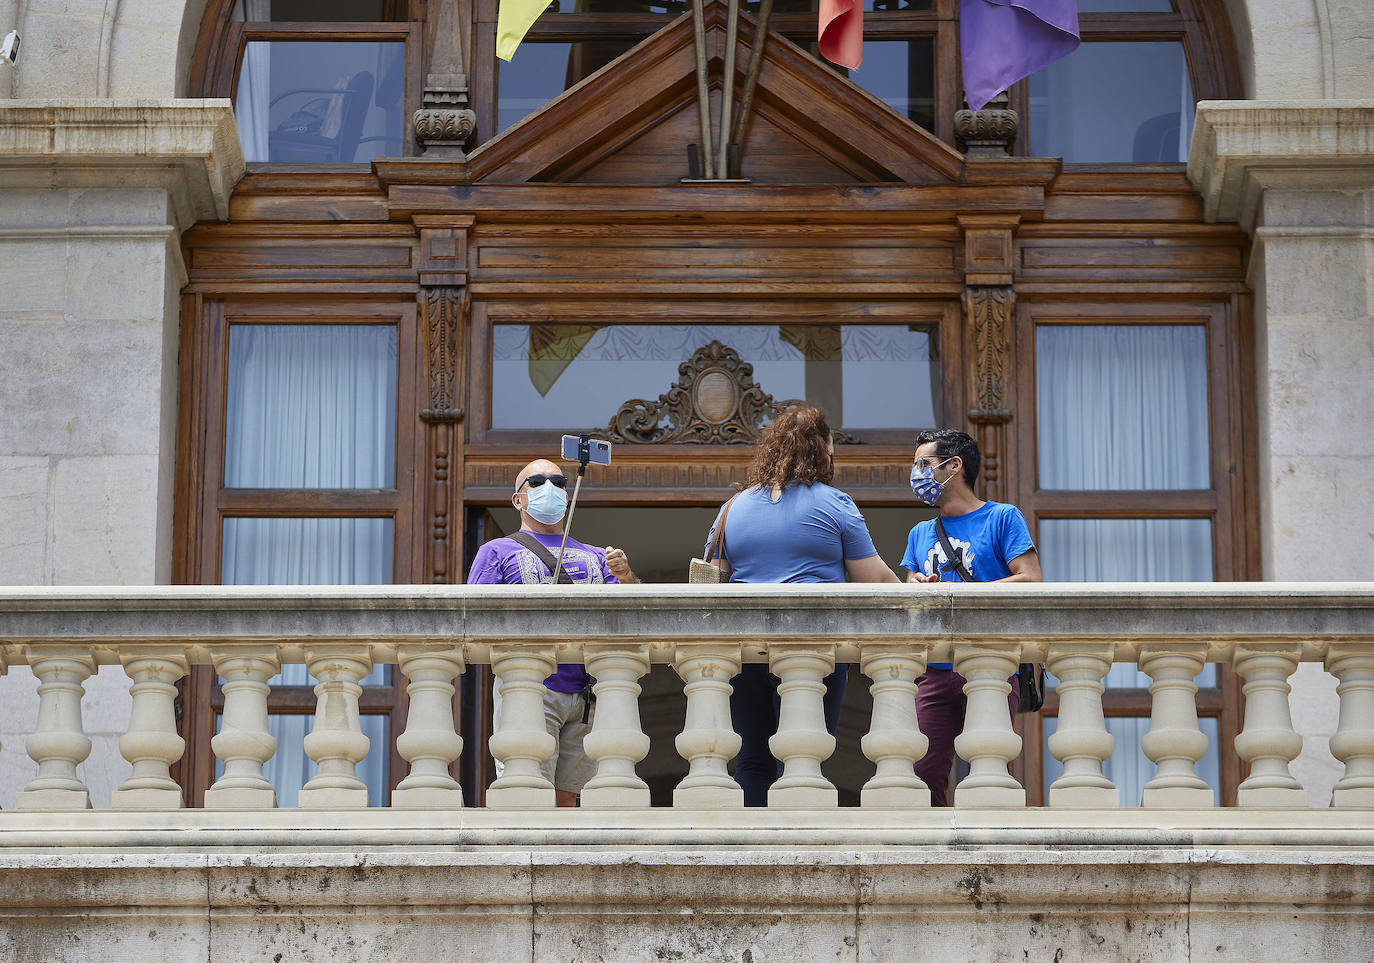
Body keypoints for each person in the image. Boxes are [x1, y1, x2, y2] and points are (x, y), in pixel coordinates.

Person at [704, 404, 899, 807]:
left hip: (746, 652)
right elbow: (877, 582)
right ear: (823, 447)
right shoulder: (835, 503)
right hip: (814, 649)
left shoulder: (731, 509)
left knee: (753, 759)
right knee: (804, 757)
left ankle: (754, 850)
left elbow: (711, 580)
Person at [467, 456, 640, 807]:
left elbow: (633, 613)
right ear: (517, 499)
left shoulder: (597, 556)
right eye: (536, 482)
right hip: (529, 688)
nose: (551, 488)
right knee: (526, 792)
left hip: (589, 693)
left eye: (559, 482)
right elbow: (474, 618)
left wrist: (625, 576)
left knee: (570, 798)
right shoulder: (496, 551)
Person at [901, 428, 1042, 806]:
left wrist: (964, 594)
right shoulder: (920, 533)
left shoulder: (1002, 517)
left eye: (923, 464)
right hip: (933, 670)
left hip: (990, 664)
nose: (915, 473)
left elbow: (1030, 579)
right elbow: (909, 580)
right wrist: (916, 582)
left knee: (989, 766)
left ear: (954, 466)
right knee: (923, 771)